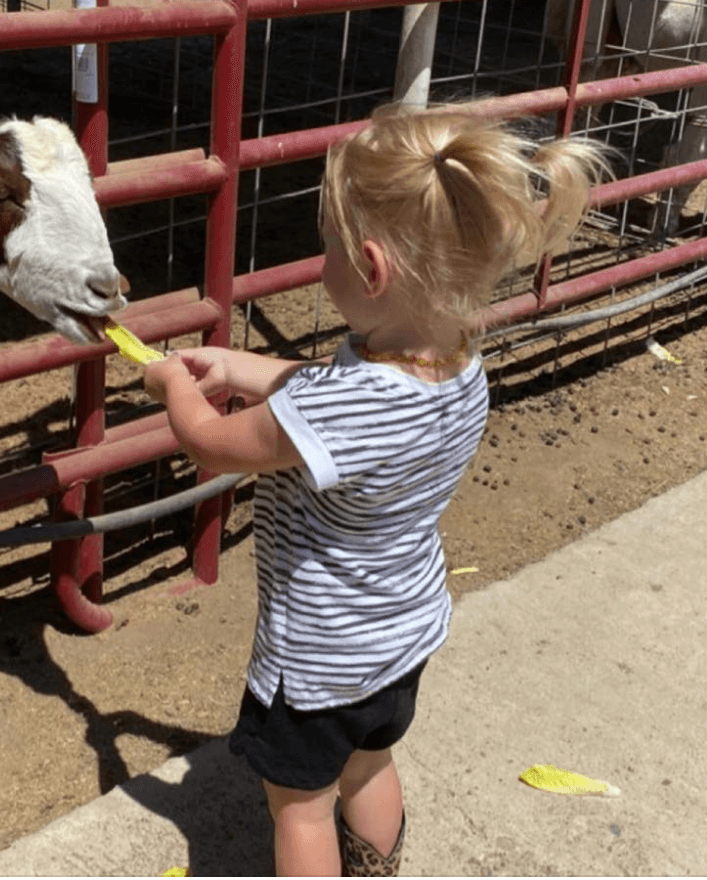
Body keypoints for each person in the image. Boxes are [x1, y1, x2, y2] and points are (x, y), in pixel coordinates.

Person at [143, 102, 610, 877]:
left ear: (370, 267)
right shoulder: (455, 365)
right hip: (402, 636)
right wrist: (238, 367)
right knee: (368, 767)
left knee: (299, 809)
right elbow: (328, 399)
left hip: (320, 659)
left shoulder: (343, 408)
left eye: (327, 245)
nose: (321, 259)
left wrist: (174, 386)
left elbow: (212, 443)